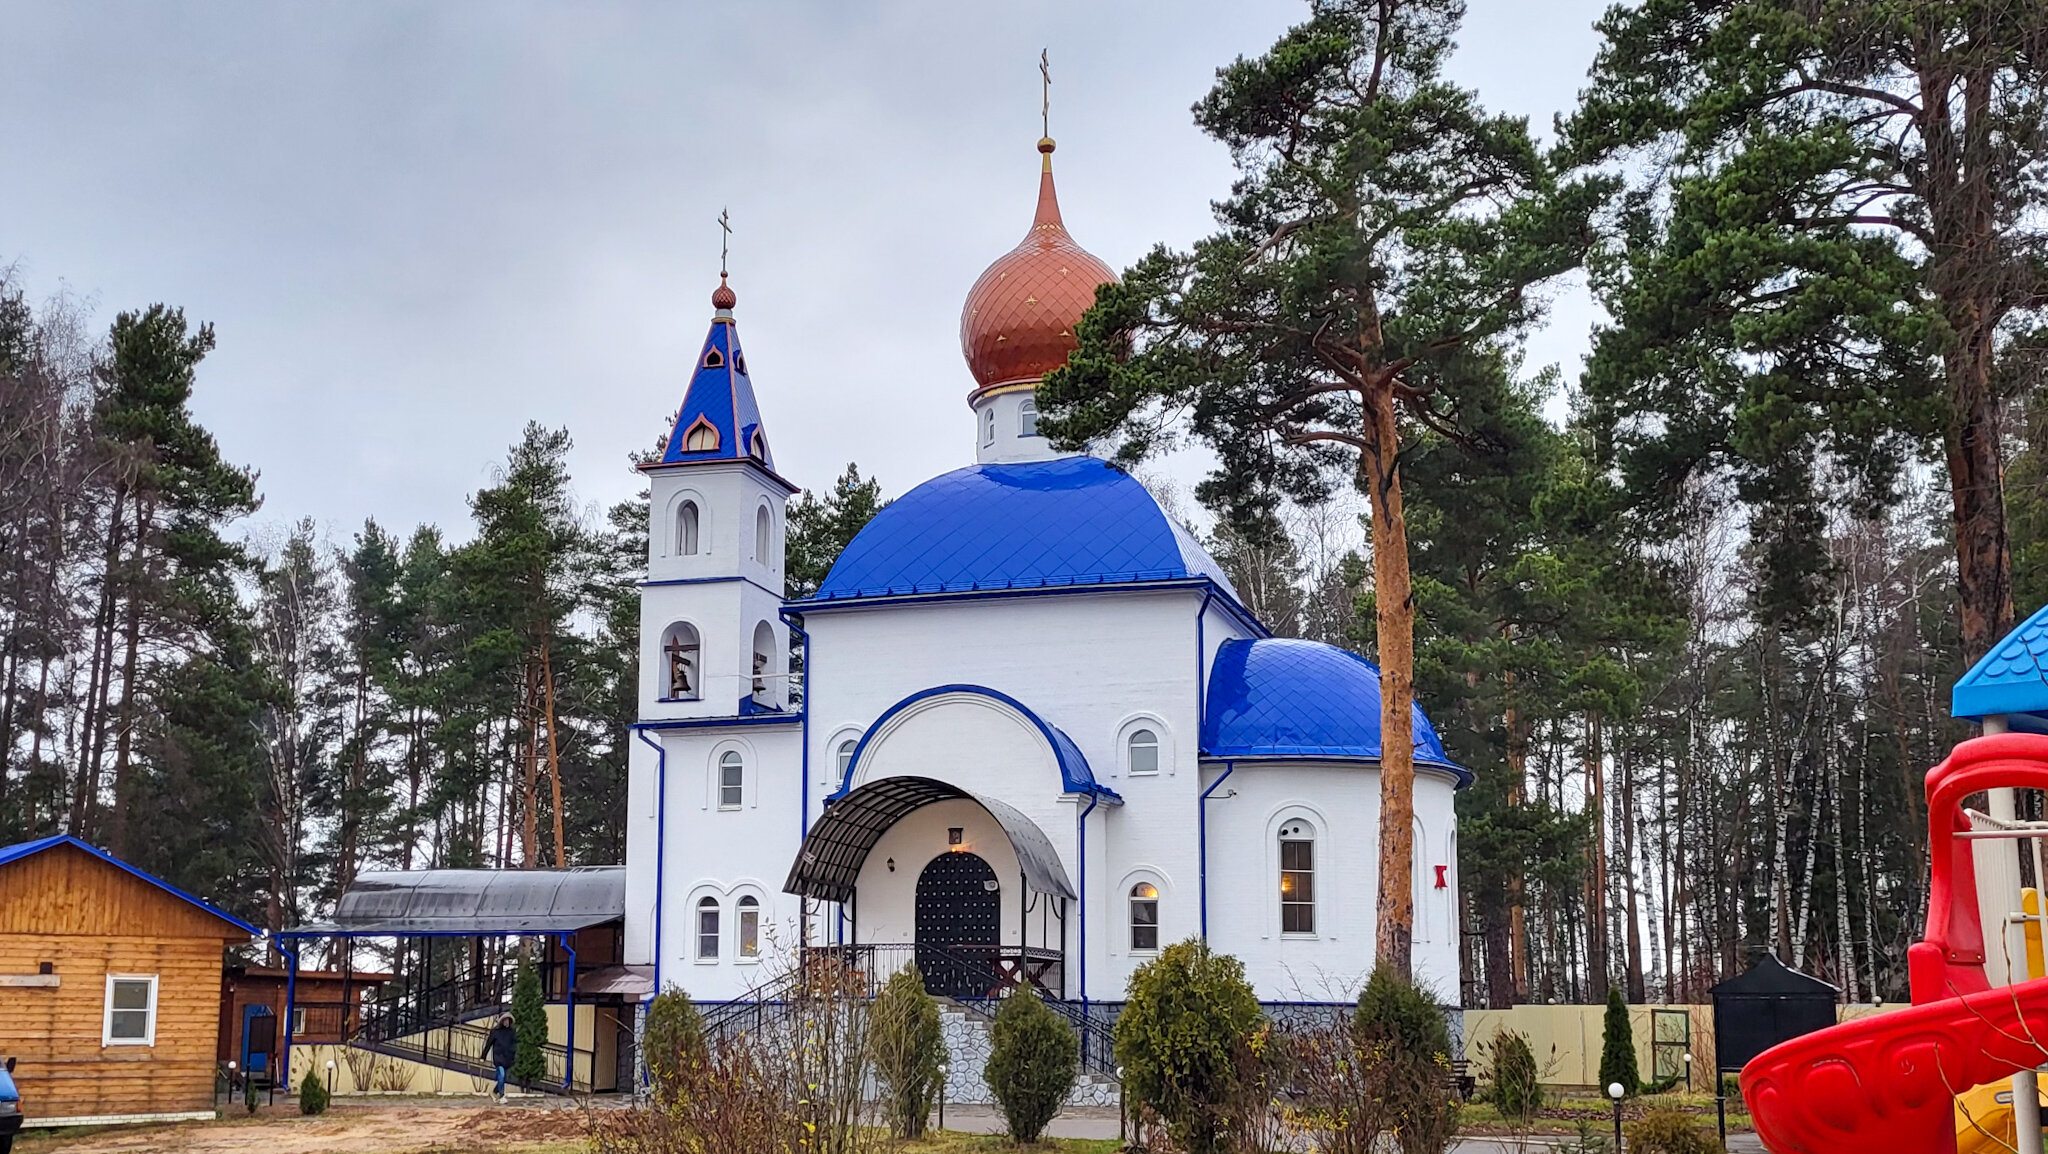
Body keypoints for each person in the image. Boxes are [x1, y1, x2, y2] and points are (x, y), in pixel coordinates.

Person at [485, 1015, 518, 1101]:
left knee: (504, 1078)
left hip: (508, 1058)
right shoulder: (495, 1032)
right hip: (498, 1057)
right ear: (502, 1021)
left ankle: (495, 1091)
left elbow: (514, 1044)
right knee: (501, 1074)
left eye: (508, 1020)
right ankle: (501, 1095)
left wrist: (514, 1055)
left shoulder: (512, 1032)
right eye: (505, 1020)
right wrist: (483, 1056)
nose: (506, 1022)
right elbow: (488, 1043)